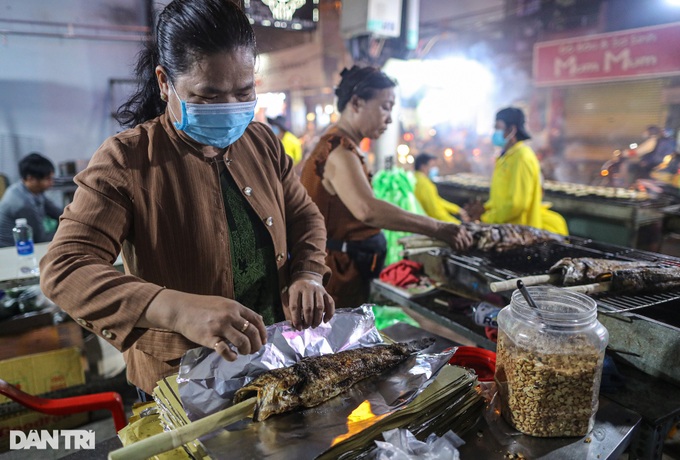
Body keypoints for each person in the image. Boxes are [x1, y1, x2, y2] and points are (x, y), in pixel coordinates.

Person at [39, 0, 334, 398]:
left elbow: (304, 215)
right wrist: (176, 309)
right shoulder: (126, 161)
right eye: (209, 97)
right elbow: (65, 269)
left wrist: (309, 273)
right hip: (183, 380)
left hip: (272, 359)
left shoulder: (261, 142)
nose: (230, 109)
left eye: (244, 92)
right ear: (165, 83)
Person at [300, 66, 472, 308]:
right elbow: (367, 210)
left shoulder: (347, 146)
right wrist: (436, 227)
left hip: (348, 268)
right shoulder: (338, 149)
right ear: (357, 103)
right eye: (385, 107)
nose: (390, 118)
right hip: (336, 274)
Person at [480, 107, 568, 236]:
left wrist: (488, 219)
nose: (495, 132)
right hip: (505, 228)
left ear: (511, 130)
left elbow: (517, 205)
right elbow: (499, 197)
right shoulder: (506, 157)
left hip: (519, 232)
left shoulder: (521, 157)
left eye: (498, 128)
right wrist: (485, 211)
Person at [0, 153, 62, 247]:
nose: (51, 182)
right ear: (31, 178)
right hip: (13, 250)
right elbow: (40, 238)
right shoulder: (22, 203)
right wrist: (68, 230)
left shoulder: (34, 190)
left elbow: (57, 212)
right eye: (48, 179)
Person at [413, 153, 469, 224]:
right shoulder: (424, 184)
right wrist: (456, 223)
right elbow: (435, 211)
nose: (434, 169)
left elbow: (436, 200)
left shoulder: (416, 179)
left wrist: (457, 210)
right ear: (423, 167)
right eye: (432, 166)